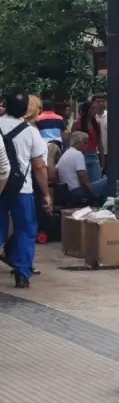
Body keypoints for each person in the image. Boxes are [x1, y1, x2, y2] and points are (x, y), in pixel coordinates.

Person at [0, 92, 50, 289]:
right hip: (23, 190)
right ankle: (22, 273)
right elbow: (39, 166)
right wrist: (46, 193)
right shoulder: (30, 132)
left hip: (0, 186)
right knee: (26, 230)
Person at [57, 131, 104, 205]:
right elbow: (82, 176)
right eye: (85, 143)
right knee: (107, 181)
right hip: (76, 191)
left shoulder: (66, 153)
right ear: (77, 142)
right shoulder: (78, 154)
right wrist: (95, 194)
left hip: (67, 191)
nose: (87, 146)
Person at [74, 96, 105, 185]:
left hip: (94, 156)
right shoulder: (77, 124)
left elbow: (99, 142)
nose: (94, 111)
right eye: (92, 108)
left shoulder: (96, 124)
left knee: (97, 181)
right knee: (84, 183)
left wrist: (102, 159)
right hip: (82, 156)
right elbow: (72, 143)